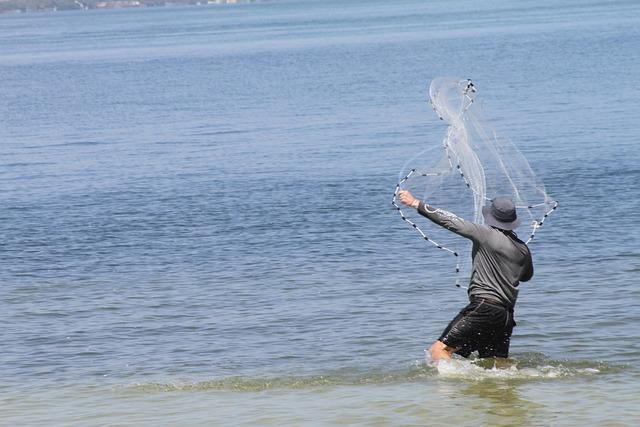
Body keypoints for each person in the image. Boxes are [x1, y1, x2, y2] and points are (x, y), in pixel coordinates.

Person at [398, 190, 533, 363]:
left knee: (438, 351)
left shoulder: (486, 234)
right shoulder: (523, 249)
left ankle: (451, 381)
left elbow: (451, 221)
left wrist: (415, 203)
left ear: (491, 217)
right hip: (505, 316)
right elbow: (526, 276)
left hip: (484, 308)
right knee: (496, 364)